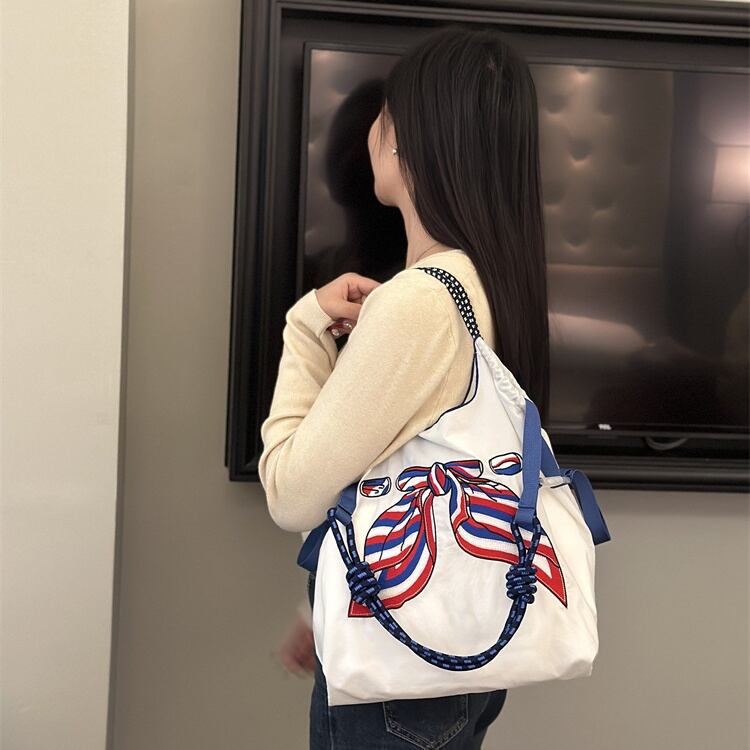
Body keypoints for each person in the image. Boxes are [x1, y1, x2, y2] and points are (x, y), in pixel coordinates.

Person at [259, 23, 550, 749]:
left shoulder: (420, 301)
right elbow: (421, 475)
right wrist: (327, 606)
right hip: (451, 646)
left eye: (387, 112)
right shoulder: (487, 280)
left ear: (412, 140)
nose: (373, 131)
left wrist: (305, 326)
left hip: (399, 679)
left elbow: (290, 493)